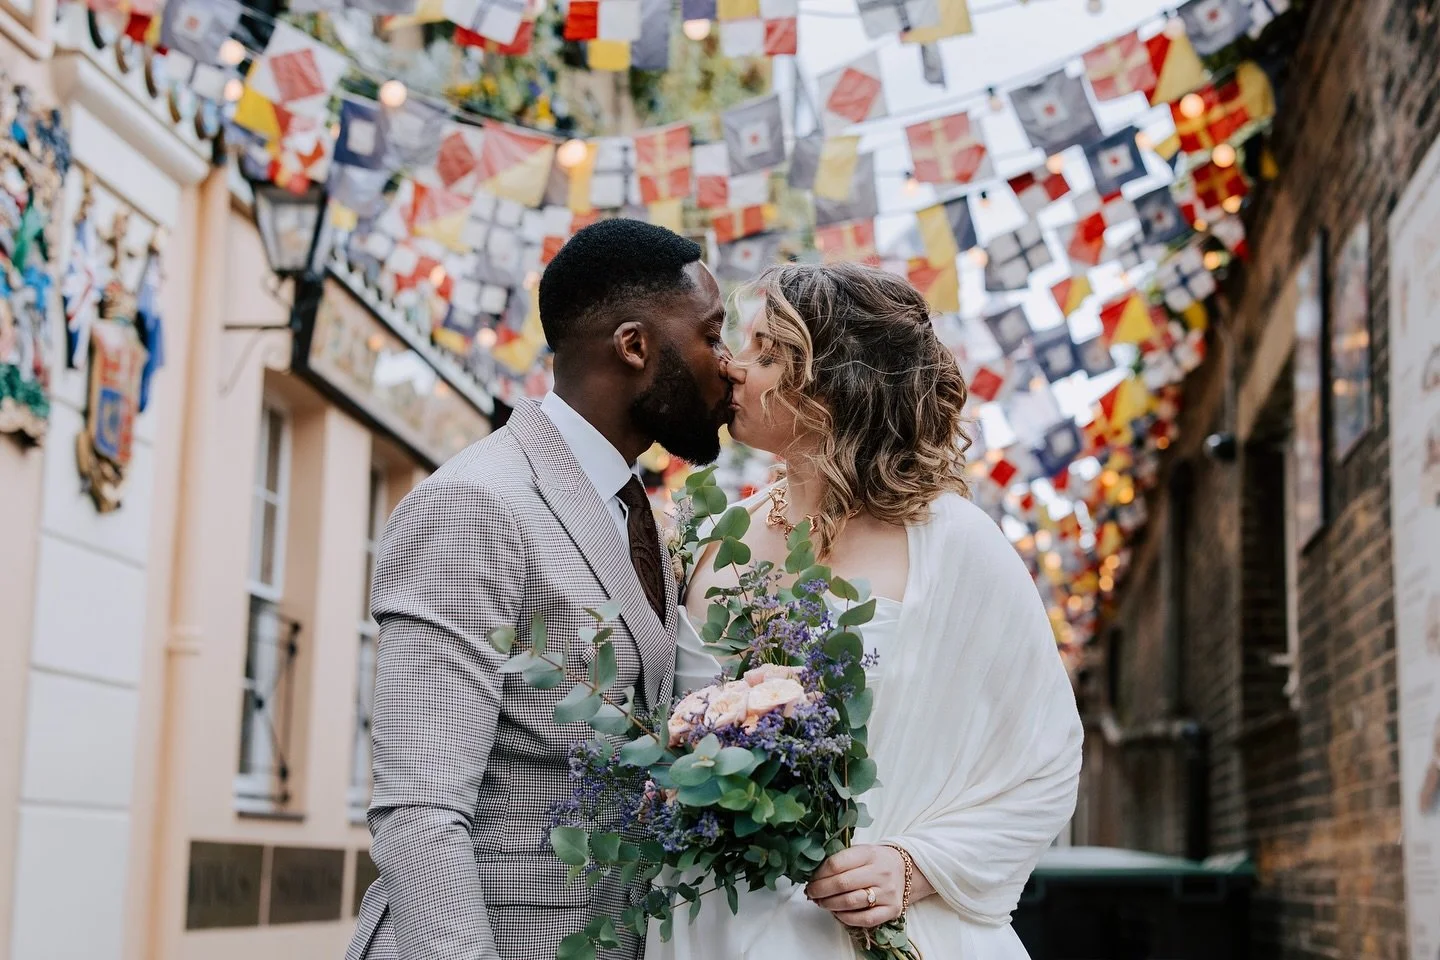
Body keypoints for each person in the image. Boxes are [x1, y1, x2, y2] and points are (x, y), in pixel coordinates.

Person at [653, 262, 1084, 960]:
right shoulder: (709, 540)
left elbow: (1047, 758)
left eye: (767, 353)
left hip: (866, 930)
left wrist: (916, 867)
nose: (733, 367)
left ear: (832, 385)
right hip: (713, 927)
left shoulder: (956, 545)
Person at [347, 219, 734, 960]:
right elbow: (420, 812)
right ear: (634, 346)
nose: (727, 363)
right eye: (711, 335)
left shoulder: (635, 509)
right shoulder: (475, 504)